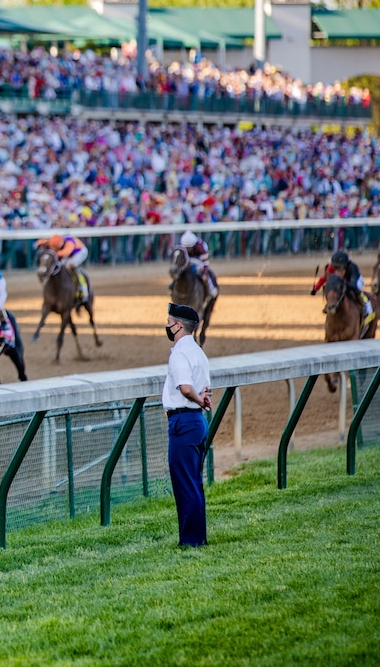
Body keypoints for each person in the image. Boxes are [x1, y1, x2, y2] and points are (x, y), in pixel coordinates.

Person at [163, 303, 212, 547]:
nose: (167, 325)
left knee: (185, 484)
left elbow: (185, 387)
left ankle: (191, 541)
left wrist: (198, 400)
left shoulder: (180, 354)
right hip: (196, 423)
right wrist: (202, 400)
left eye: (169, 322)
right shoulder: (198, 352)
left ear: (178, 326)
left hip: (183, 422)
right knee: (193, 482)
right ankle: (196, 537)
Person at [312, 250, 375, 327]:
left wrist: (342, 281)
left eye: (339, 267)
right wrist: (315, 288)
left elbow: (353, 285)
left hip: (356, 281)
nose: (337, 269)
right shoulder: (331, 267)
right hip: (343, 281)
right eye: (336, 267)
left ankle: (366, 307)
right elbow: (324, 278)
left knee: (356, 291)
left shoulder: (353, 268)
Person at [37, 233, 90, 303]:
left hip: (80, 252)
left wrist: (54, 254)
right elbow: (46, 243)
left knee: (70, 265)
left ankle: (83, 289)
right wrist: (42, 242)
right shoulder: (55, 241)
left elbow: (66, 253)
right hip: (68, 252)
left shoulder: (69, 243)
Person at [178, 230, 218, 297]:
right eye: (186, 248)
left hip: (198, 260)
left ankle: (211, 288)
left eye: (188, 248)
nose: (187, 250)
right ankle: (173, 285)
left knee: (203, 273)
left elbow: (205, 262)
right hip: (188, 260)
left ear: (193, 245)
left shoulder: (201, 247)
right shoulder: (182, 247)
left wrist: (204, 274)